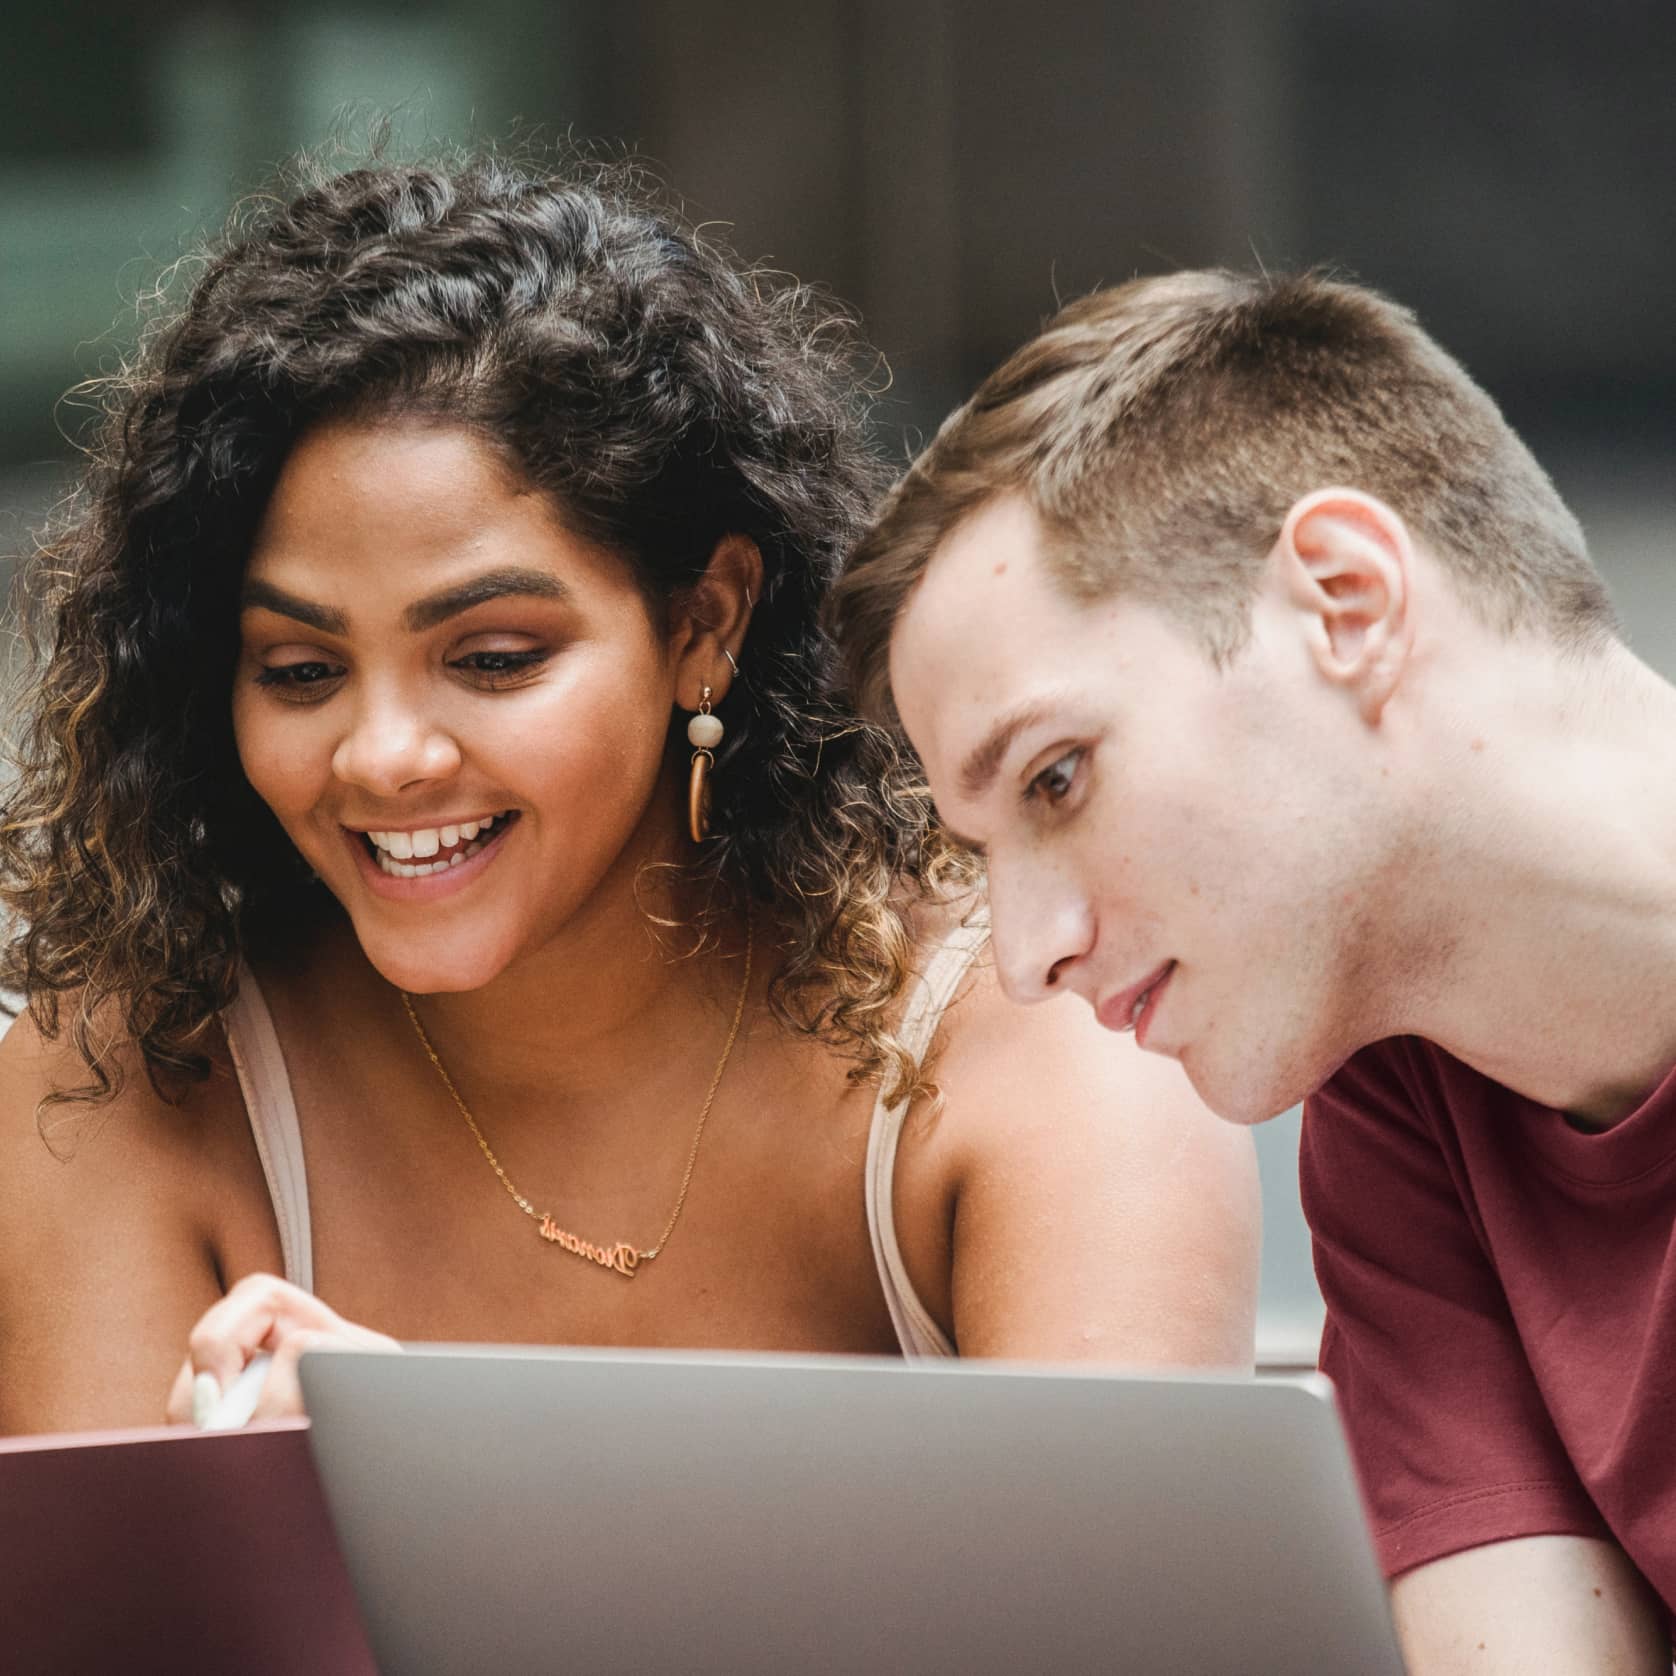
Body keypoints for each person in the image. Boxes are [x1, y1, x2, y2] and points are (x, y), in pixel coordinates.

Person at [0, 158, 1258, 1438]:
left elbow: (1106, 1622)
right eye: (302, 670)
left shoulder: (1028, 1036)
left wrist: (435, 1499)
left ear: (702, 623)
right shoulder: (124, 1074)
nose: (381, 755)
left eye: (492, 659)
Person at [829, 268, 1676, 1671]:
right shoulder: (1404, 1113)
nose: (1029, 956)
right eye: (981, 852)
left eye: (1057, 778)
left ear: (1345, 601)